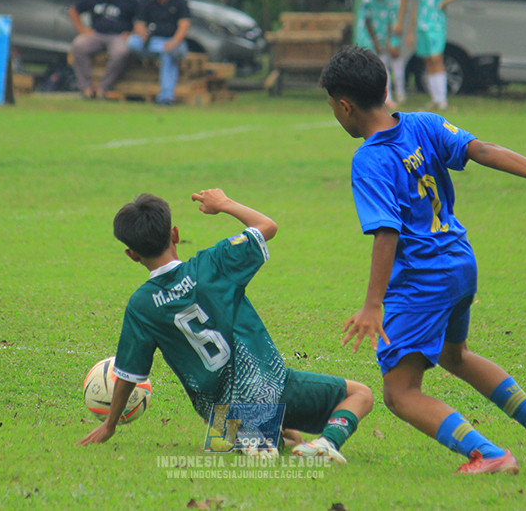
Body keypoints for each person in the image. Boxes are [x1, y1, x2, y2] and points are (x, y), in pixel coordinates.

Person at [320, 46, 526, 475]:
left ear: (345, 105)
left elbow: (387, 232)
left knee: (400, 391)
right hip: (460, 262)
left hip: (423, 278)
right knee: (455, 355)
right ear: (385, 87)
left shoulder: (370, 158)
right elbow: (481, 149)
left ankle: (487, 454)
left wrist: (373, 304)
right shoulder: (425, 124)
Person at [80, 189, 373, 464]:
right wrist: (224, 204)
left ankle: (248, 436)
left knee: (290, 435)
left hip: (217, 415)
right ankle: (327, 443)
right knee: (360, 394)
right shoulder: (214, 263)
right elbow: (266, 226)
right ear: (175, 234)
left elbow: (128, 374)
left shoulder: (141, 305)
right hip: (271, 390)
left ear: (132, 254)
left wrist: (110, 424)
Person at [408, 0, 474, 111]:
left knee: (437, 58)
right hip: (421, 23)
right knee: (428, 59)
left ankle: (443, 99)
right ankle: (435, 98)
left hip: (436, 22)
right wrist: (410, 30)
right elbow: (415, 4)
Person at [69, 0, 140, 99]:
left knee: (121, 52)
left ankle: (103, 87)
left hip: (118, 36)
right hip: (97, 34)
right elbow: (73, 11)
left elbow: (141, 18)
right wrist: (82, 30)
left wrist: (131, 33)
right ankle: (86, 88)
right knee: (78, 45)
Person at [127, 0, 192, 106]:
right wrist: (143, 34)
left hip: (173, 42)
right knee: (132, 42)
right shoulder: (147, 3)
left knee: (169, 54)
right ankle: (162, 49)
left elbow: (184, 26)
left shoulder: (179, 4)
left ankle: (166, 97)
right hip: (153, 42)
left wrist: (173, 42)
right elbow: (139, 24)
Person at [355, 0, 402, 108]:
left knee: (382, 67)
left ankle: (387, 98)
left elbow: (391, 20)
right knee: (368, 67)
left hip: (381, 37)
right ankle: (365, 98)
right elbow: (367, 22)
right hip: (367, 38)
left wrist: (389, 40)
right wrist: (375, 42)